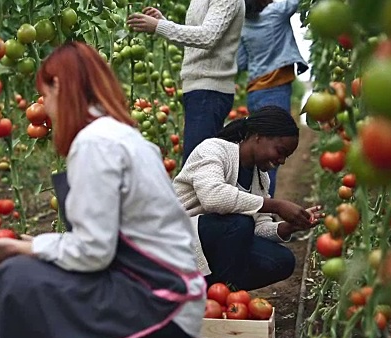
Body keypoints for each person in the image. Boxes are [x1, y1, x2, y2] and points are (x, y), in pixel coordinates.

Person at [0, 42, 206, 338]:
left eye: (45, 94)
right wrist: (35, 245)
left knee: (16, 280)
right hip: (168, 289)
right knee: (29, 279)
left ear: (59, 85)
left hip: (158, 299)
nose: (45, 106)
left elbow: (93, 252)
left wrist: (29, 248)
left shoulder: (95, 143)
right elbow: (111, 237)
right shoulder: (123, 136)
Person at [172, 106, 322, 290]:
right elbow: (212, 196)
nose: (281, 161)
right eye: (280, 151)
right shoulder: (213, 149)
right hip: (177, 239)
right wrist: (276, 206)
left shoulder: (260, 178)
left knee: (282, 260)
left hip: (214, 243)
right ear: (258, 136)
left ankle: (220, 293)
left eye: (286, 157)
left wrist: (290, 226)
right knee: (239, 224)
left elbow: (258, 228)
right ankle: (212, 293)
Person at [127, 0, 245, 162]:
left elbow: (207, 37)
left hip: (210, 90)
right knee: (198, 163)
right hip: (197, 89)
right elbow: (195, 43)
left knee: (197, 165)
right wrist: (164, 23)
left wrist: (159, 26)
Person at [237, 0, 309, 196]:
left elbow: (241, 62)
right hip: (275, 90)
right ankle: (265, 211)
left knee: (257, 154)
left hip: (254, 92)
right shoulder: (276, 12)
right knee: (272, 156)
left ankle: (252, 206)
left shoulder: (244, 24)